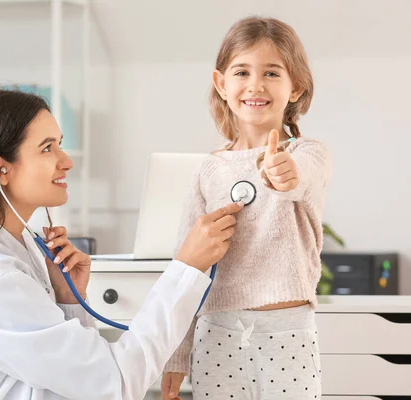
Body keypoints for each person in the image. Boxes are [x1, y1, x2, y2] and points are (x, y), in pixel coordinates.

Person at [0, 89, 244, 400]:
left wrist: (68, 300)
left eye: (59, 144)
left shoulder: (16, 250)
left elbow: (73, 380)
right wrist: (186, 270)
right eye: (47, 148)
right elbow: (115, 384)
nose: (66, 161)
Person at [161, 16, 332, 399]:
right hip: (217, 332)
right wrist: (175, 356)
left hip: (288, 330)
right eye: (242, 72)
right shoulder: (208, 170)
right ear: (222, 84)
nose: (255, 85)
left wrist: (283, 173)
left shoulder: (308, 155)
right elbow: (187, 267)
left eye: (272, 73)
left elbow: (301, 176)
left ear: (296, 87)